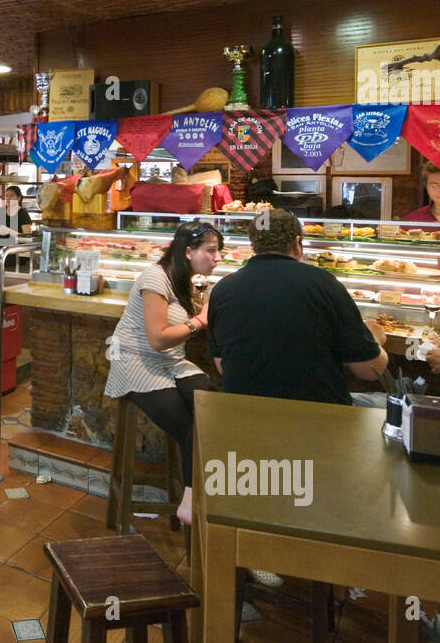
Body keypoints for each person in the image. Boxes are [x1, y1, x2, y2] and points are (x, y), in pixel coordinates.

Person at [207, 209, 389, 406]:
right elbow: (370, 371)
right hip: (317, 416)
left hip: (246, 413)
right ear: (297, 243)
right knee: (389, 404)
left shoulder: (222, 289)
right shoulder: (324, 283)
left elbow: (223, 366)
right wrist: (375, 340)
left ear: (253, 245)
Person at [104, 222, 222, 526]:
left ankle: (207, 494)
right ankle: (190, 500)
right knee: (189, 426)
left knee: (213, 410)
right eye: (211, 250)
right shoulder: (155, 278)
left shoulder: (181, 279)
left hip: (171, 362)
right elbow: (157, 338)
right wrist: (201, 320)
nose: (217, 257)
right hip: (136, 362)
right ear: (188, 251)